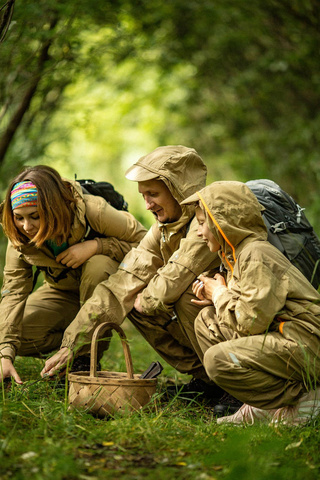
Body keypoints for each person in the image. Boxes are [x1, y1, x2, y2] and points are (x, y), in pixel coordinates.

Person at [40, 145, 224, 401]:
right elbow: (120, 284)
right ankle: (209, 379)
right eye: (143, 195)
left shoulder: (207, 223)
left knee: (181, 299)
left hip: (247, 322)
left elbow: (173, 280)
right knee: (134, 300)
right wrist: (72, 344)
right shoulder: (163, 229)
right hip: (220, 323)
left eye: (153, 194)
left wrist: (143, 297)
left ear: (179, 190)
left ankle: (233, 382)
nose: (147, 204)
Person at [181, 180, 320, 425]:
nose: (199, 232)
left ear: (223, 222)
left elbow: (250, 323)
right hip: (286, 337)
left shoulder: (257, 254)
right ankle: (263, 406)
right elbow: (256, 312)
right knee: (207, 321)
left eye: (202, 223)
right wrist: (219, 296)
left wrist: (218, 294)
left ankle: (305, 397)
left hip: (306, 344)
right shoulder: (238, 254)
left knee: (217, 360)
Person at [0, 165, 146, 384]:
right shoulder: (19, 235)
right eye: (19, 218)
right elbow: (13, 292)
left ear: (52, 208)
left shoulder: (93, 210)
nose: (26, 226)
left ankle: (85, 358)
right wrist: (4, 353)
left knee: (98, 264)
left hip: (104, 289)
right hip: (61, 293)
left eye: (34, 216)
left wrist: (97, 246)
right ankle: (72, 343)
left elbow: (146, 244)